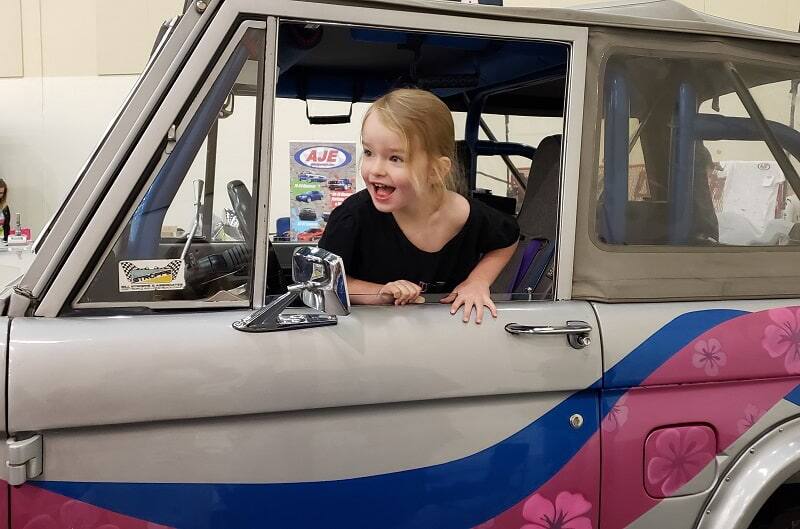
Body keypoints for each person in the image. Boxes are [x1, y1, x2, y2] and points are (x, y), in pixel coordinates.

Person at [319, 88, 519, 323]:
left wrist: (477, 282)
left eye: (395, 158)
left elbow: (509, 238)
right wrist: (380, 293)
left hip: (445, 340)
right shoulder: (352, 217)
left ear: (437, 170)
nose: (375, 169)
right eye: (369, 152)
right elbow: (324, 281)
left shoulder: (468, 216)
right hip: (369, 343)